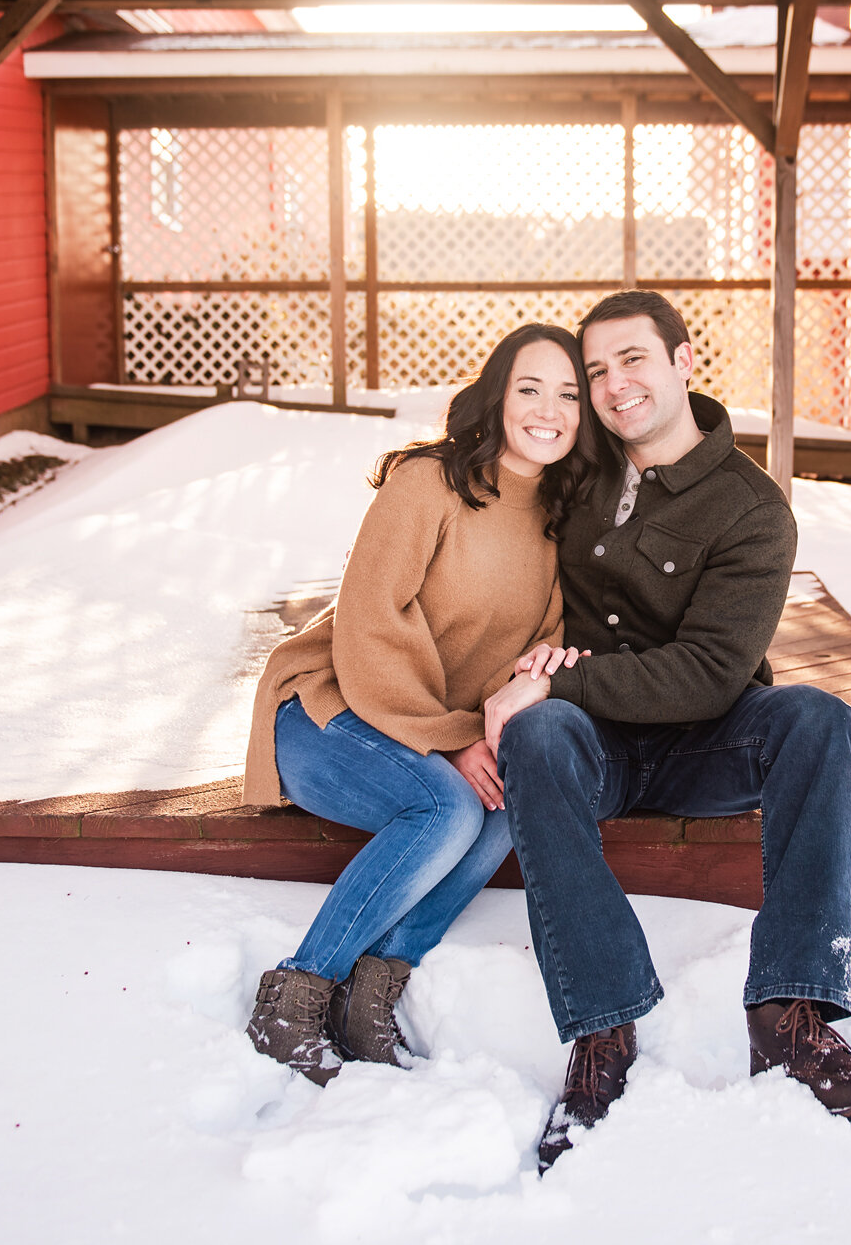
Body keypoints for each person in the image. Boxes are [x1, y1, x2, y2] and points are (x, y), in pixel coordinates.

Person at [482, 291, 851, 1171]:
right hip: (592, 743)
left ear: (685, 361)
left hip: (703, 738)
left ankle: (791, 1016)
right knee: (538, 740)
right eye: (596, 369)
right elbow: (500, 454)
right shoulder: (586, 462)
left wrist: (564, 677)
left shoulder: (752, 509)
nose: (612, 386)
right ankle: (603, 1031)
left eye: (633, 360)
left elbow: (711, 672)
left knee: (819, 719)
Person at [241, 323, 602, 1085]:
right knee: (447, 808)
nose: (549, 409)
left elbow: (529, 650)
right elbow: (371, 623)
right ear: (498, 396)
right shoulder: (428, 484)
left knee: (507, 803)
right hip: (330, 710)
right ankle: (295, 992)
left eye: (568, 394)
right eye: (529, 388)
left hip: (427, 734)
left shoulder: (551, 521)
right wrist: (449, 740)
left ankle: (371, 990)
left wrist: (496, 723)